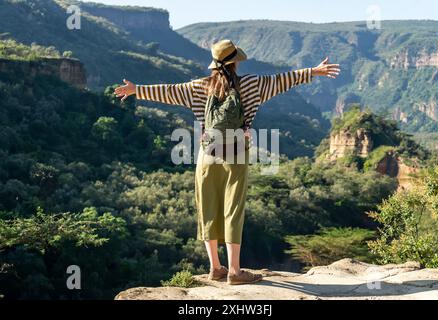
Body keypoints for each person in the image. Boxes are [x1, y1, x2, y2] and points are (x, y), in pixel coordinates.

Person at [115, 39, 340, 285]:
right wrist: (314, 71)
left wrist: (136, 89)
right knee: (233, 209)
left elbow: (168, 91)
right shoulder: (253, 85)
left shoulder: (199, 87)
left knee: (208, 207)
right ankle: (235, 271)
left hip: (208, 153)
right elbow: (282, 79)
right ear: (235, 63)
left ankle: (215, 268)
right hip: (236, 152)